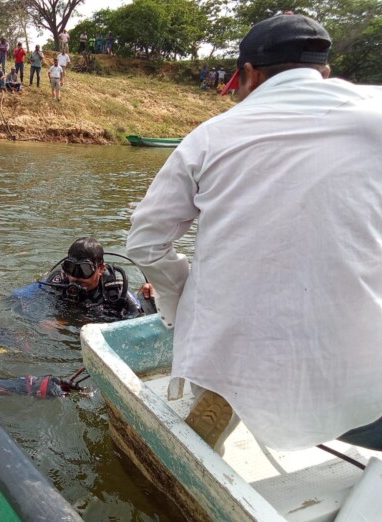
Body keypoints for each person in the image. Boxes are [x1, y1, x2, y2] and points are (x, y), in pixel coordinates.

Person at [126, 13, 382, 454]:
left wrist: (180, 304)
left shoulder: (209, 138)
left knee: (230, 345)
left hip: (238, 347)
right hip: (362, 366)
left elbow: (147, 241)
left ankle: (223, 404)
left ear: (247, 74)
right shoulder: (374, 111)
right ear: (324, 71)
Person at [23, 237, 155, 324]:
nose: (74, 277)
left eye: (84, 270)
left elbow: (141, 319)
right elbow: (19, 297)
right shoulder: (58, 281)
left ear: (101, 268)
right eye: (70, 268)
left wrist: (150, 299)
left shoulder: (115, 290)